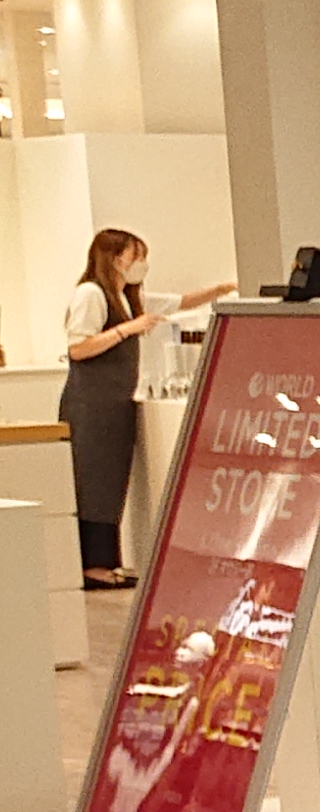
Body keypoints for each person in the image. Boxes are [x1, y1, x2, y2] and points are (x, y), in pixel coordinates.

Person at [58, 230, 235, 588]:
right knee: (93, 481)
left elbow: (179, 302)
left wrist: (223, 289)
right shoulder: (92, 294)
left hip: (115, 402)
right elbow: (79, 347)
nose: (141, 265)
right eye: (135, 256)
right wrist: (126, 330)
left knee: (111, 480)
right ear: (114, 258)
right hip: (91, 403)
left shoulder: (127, 297)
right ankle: (92, 565)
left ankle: (107, 561)